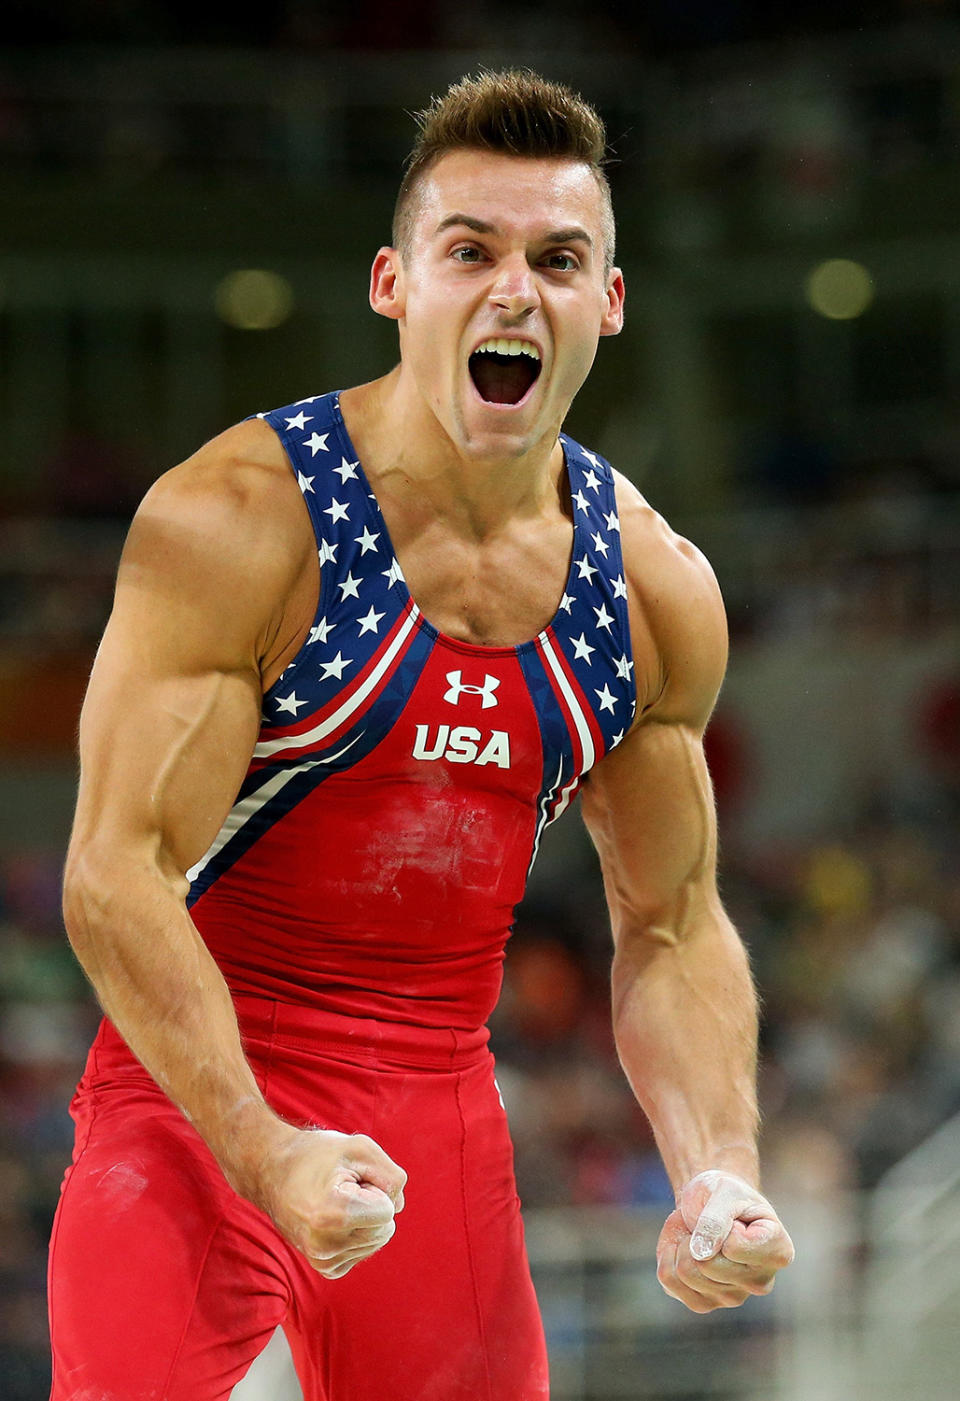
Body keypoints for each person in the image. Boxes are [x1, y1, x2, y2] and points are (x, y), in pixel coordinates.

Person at [51, 69, 794, 1401]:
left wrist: (717, 1161)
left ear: (607, 306)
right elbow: (112, 877)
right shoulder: (239, 522)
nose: (515, 290)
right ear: (396, 283)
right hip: (195, 1082)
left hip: (436, 1104)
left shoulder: (651, 590)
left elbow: (673, 922)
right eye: (472, 251)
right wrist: (264, 1144)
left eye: (559, 259)